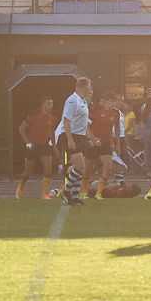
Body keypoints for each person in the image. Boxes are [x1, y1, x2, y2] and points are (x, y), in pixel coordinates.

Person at [54, 77, 98, 207]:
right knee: (80, 166)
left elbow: (83, 123)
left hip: (80, 137)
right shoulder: (72, 100)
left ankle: (74, 196)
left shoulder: (82, 101)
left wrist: (87, 139)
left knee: (80, 168)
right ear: (83, 86)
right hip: (71, 136)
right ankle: (67, 192)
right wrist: (70, 139)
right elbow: (66, 120)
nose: (90, 89)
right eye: (89, 86)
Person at [17, 96, 58, 200]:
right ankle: (20, 188)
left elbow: (51, 132)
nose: (50, 106)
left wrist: (54, 147)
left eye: (51, 104)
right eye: (48, 104)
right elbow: (21, 128)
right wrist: (28, 142)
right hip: (33, 146)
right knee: (27, 172)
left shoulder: (53, 118)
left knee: (48, 170)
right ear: (42, 105)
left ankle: (45, 194)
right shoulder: (34, 115)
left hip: (44, 146)